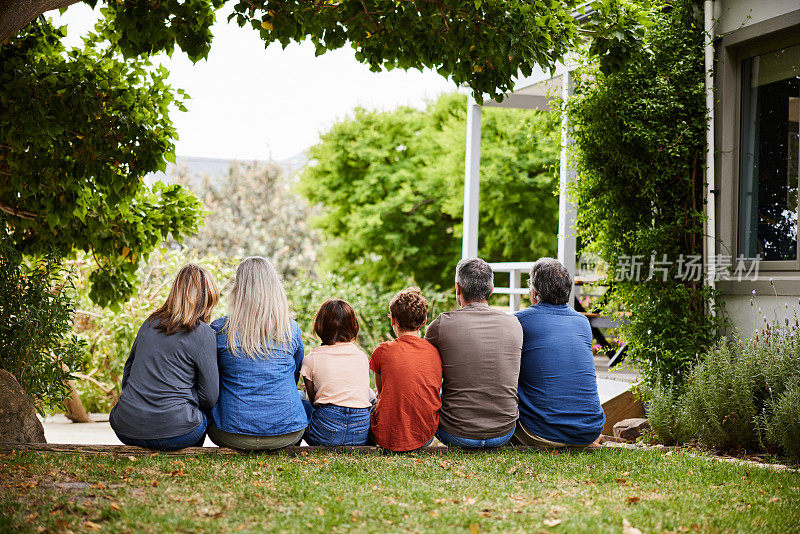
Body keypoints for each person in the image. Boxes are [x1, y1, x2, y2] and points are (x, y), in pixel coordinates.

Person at [110, 264, 220, 451]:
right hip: (178, 433)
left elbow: (127, 377)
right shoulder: (204, 333)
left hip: (126, 429)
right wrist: (185, 398)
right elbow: (209, 397)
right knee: (207, 415)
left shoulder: (149, 323)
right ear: (207, 299)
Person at [207, 257, 307, 451]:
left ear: (238, 290)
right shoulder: (291, 330)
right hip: (287, 432)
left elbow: (212, 382)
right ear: (276, 290)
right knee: (301, 396)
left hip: (231, 433)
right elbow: (293, 377)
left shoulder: (220, 329)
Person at [425, 258, 522, 448]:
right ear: (491, 289)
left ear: (457, 288)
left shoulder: (441, 325)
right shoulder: (514, 324)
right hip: (504, 432)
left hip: (455, 433)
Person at [512, 257, 605, 447]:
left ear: (534, 292)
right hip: (589, 430)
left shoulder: (520, 322)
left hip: (542, 431)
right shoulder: (582, 322)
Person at [369, 287, 442, 452]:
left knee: (370, 400)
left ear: (392, 320)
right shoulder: (435, 351)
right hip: (426, 436)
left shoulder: (382, 351)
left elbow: (382, 394)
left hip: (385, 436)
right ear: (424, 321)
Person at [301, 299, 371, 446]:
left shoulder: (311, 359)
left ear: (319, 325)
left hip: (325, 434)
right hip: (359, 435)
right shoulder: (362, 356)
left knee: (299, 398)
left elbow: (312, 401)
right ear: (352, 326)